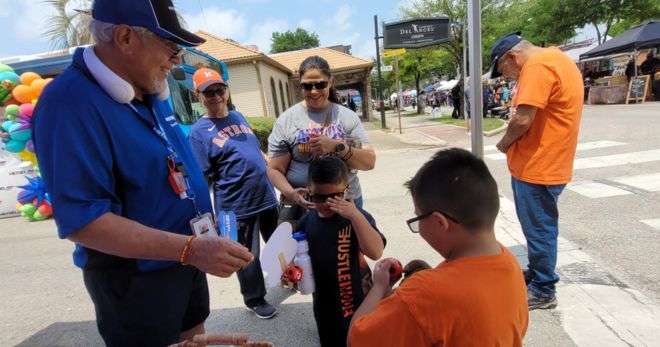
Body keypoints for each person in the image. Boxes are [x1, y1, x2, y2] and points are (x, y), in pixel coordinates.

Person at [31, 1, 254, 345]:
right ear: (124, 37)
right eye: (171, 46)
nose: (177, 59)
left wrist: (194, 250)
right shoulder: (69, 103)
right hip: (137, 283)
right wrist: (190, 250)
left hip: (185, 261)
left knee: (196, 338)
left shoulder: (148, 88)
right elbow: (83, 221)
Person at [347, 148, 528, 346]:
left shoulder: (423, 294)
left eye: (417, 218)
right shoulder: (509, 263)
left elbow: (356, 339)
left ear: (440, 222)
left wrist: (380, 287)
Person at [491, 32, 583, 310]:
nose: (506, 77)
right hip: (548, 162)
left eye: (503, 70)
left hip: (539, 166)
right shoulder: (557, 58)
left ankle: (543, 288)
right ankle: (537, 273)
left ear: (511, 57)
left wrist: (504, 144)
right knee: (538, 227)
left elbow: (521, 119)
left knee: (539, 228)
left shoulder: (537, 67)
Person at [188, 68, 279, 319]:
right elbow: (200, 177)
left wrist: (275, 172)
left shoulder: (238, 116)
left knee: (280, 242)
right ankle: (255, 299)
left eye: (219, 90)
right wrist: (210, 215)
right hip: (237, 205)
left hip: (266, 196)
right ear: (199, 97)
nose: (216, 96)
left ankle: (289, 276)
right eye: (209, 92)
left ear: (226, 92)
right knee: (247, 255)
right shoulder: (199, 132)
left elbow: (257, 151)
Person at [267, 55, 376, 225]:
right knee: (303, 251)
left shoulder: (347, 117)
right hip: (303, 205)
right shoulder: (286, 121)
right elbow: (274, 169)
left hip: (345, 202)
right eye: (307, 86)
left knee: (348, 251)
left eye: (320, 84)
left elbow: (369, 162)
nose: (314, 91)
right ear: (300, 85)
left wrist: (336, 146)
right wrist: (291, 193)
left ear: (330, 82)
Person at [297, 156, 385, 347]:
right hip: (323, 305)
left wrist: (354, 215)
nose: (328, 203)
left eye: (335, 196)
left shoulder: (356, 217)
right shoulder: (308, 220)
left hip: (358, 305)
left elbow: (376, 251)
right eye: (319, 197)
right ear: (309, 190)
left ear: (346, 191)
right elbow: (297, 253)